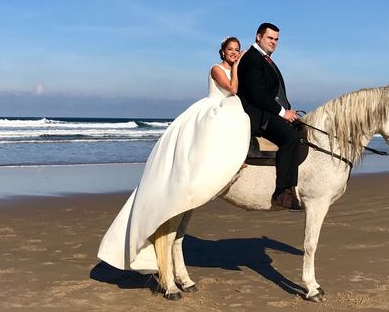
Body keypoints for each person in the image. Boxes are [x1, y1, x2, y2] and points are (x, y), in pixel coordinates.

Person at [98, 37, 251, 272]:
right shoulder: (216, 69)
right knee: (228, 118)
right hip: (213, 108)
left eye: (237, 50)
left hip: (226, 108)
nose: (234, 53)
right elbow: (232, 89)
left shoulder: (232, 68)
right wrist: (239, 66)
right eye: (230, 50)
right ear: (222, 52)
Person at [236, 22, 303, 210]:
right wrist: (282, 113)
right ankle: (282, 192)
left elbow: (275, 92)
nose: (273, 42)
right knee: (290, 138)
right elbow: (258, 95)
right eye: (270, 38)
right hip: (256, 114)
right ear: (258, 37)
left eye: (276, 39)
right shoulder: (252, 58)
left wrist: (288, 110)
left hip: (268, 110)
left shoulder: (266, 59)